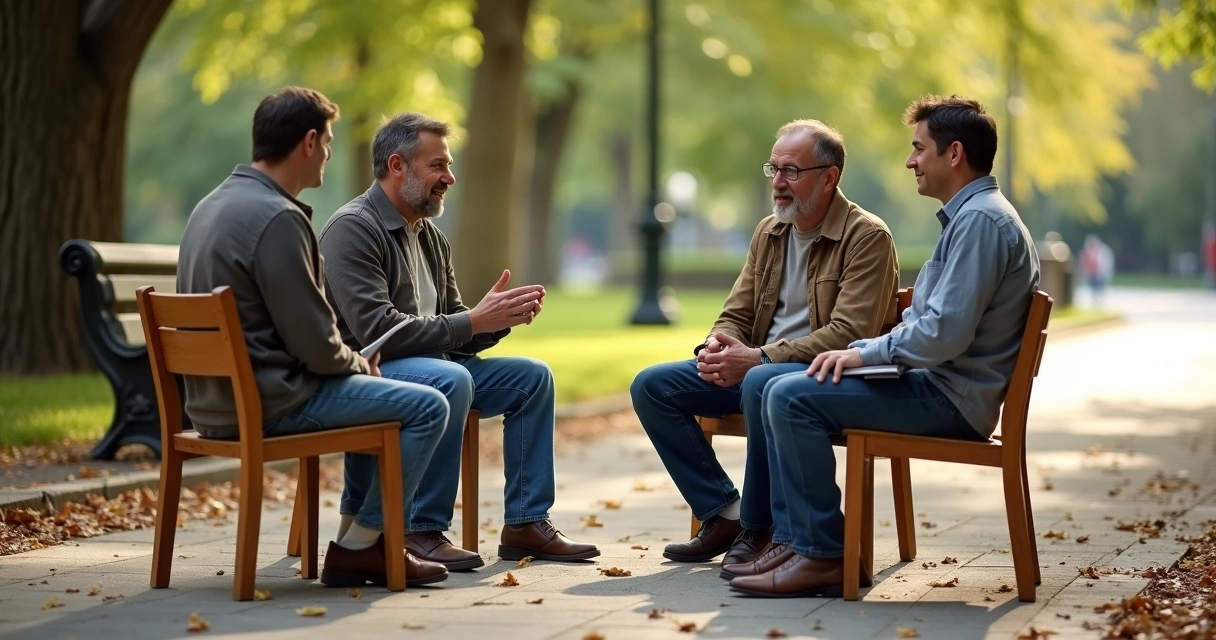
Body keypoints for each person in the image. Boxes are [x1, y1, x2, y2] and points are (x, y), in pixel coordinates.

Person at [728, 95, 1040, 598]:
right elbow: (931, 323)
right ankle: (792, 542)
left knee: (789, 396)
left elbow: (943, 334)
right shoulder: (971, 217)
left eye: (919, 148)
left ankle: (823, 554)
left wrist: (862, 353)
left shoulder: (981, 222)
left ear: (954, 153)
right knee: (770, 382)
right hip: (935, 384)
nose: (911, 161)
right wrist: (868, 354)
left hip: (949, 398)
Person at [176, 87, 452, 588]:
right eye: (326, 142)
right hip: (270, 401)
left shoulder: (210, 205)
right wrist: (359, 363)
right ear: (307, 142)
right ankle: (361, 546)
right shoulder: (279, 217)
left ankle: (352, 535)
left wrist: (352, 366)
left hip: (210, 405)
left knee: (375, 394)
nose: (327, 153)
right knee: (426, 405)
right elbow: (316, 344)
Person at [317, 112, 600, 570]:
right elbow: (377, 331)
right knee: (451, 379)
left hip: (436, 366)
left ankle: (526, 523)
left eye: (448, 166)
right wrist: (470, 320)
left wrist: (495, 320)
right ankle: (421, 528)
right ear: (397, 165)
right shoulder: (353, 228)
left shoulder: (431, 237)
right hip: (372, 370)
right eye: (437, 166)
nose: (449, 177)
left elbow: (453, 327)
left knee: (533, 378)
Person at [629, 120, 899, 569]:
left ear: (828, 177)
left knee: (761, 381)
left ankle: (758, 528)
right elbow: (737, 312)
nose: (778, 182)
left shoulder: (867, 237)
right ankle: (724, 513)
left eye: (791, 171)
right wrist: (716, 347)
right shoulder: (769, 232)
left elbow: (849, 333)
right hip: (757, 367)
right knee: (651, 386)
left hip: (817, 377)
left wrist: (759, 358)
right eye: (774, 169)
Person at [1079, 234, 1114, 307]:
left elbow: (1106, 263)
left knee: (1100, 288)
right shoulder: (1088, 251)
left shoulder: (1102, 251)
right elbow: (1084, 263)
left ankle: (1100, 302)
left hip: (1100, 274)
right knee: (1093, 289)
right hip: (1091, 274)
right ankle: (1096, 302)